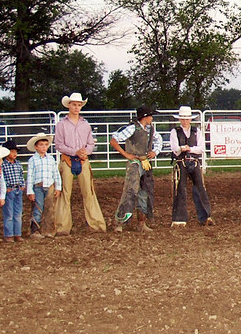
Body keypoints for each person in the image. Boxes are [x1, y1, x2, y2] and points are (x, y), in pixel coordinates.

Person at [53, 92, 107, 233]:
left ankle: (96, 224)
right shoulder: (61, 125)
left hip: (83, 160)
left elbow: (90, 143)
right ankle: (62, 227)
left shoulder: (85, 124)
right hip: (67, 160)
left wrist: (85, 152)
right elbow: (58, 144)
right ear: (69, 106)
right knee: (65, 193)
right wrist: (74, 151)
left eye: (79, 105)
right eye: (74, 105)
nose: (77, 107)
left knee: (89, 192)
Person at [109, 106, 162, 232]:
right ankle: (120, 222)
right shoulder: (133, 128)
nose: (152, 118)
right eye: (150, 116)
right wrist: (126, 154)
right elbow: (114, 139)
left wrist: (155, 151)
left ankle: (141, 222)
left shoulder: (149, 129)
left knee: (145, 191)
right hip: (135, 163)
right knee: (130, 191)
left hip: (145, 163)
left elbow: (158, 140)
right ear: (145, 117)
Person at [169, 106, 213, 227]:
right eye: (182, 119)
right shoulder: (175, 132)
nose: (184, 121)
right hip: (181, 161)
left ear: (190, 119)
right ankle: (179, 218)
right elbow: (175, 149)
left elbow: (201, 148)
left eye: (186, 119)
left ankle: (205, 216)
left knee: (200, 188)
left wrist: (190, 149)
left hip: (194, 161)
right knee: (180, 188)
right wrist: (181, 149)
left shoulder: (196, 131)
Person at [25, 133, 62, 237]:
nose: (44, 147)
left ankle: (48, 230)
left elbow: (56, 173)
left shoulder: (51, 159)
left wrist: (58, 187)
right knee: (38, 207)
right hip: (38, 186)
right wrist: (30, 191)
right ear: (36, 147)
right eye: (41, 145)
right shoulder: (32, 160)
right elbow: (30, 176)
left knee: (49, 208)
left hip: (49, 186)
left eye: (46, 145)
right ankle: (35, 229)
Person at [0, 139, 25, 242]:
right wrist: (6, 188)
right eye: (12, 151)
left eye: (15, 151)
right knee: (9, 213)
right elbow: (2, 178)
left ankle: (17, 234)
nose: (14, 153)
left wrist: (22, 184)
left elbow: (21, 175)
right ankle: (9, 234)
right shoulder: (3, 165)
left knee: (18, 213)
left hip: (18, 189)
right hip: (9, 190)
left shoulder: (18, 164)